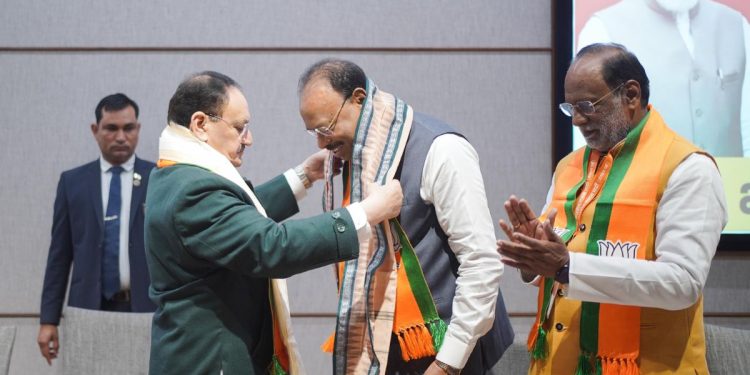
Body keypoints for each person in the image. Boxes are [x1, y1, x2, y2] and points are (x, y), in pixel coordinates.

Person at [145, 71, 403, 375]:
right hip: (212, 362)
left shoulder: (176, 173)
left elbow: (233, 224)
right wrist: (366, 212)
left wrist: (304, 175)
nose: (249, 139)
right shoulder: (194, 190)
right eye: (240, 128)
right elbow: (269, 246)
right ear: (200, 124)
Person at [497, 43, 727, 374]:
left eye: (588, 105)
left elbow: (683, 283)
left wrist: (566, 265)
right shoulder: (570, 167)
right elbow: (559, 274)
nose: (577, 120)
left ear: (631, 95)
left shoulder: (688, 168)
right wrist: (534, 257)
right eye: (570, 107)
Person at [298, 59, 514, 375]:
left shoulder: (441, 148)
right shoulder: (349, 161)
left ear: (359, 99)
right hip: (384, 349)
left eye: (326, 128)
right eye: (313, 132)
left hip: (447, 350)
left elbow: (481, 263)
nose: (321, 143)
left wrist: (448, 363)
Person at [38, 93, 156, 365]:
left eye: (128, 128)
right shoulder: (73, 182)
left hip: (145, 308)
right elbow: (59, 255)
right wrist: (48, 320)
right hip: (89, 306)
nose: (120, 137)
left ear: (137, 129)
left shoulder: (158, 178)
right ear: (96, 130)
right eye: (111, 128)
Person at [577, 0, 750, 156]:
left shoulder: (738, 25)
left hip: (730, 187)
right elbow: (591, 144)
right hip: (646, 188)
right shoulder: (602, 29)